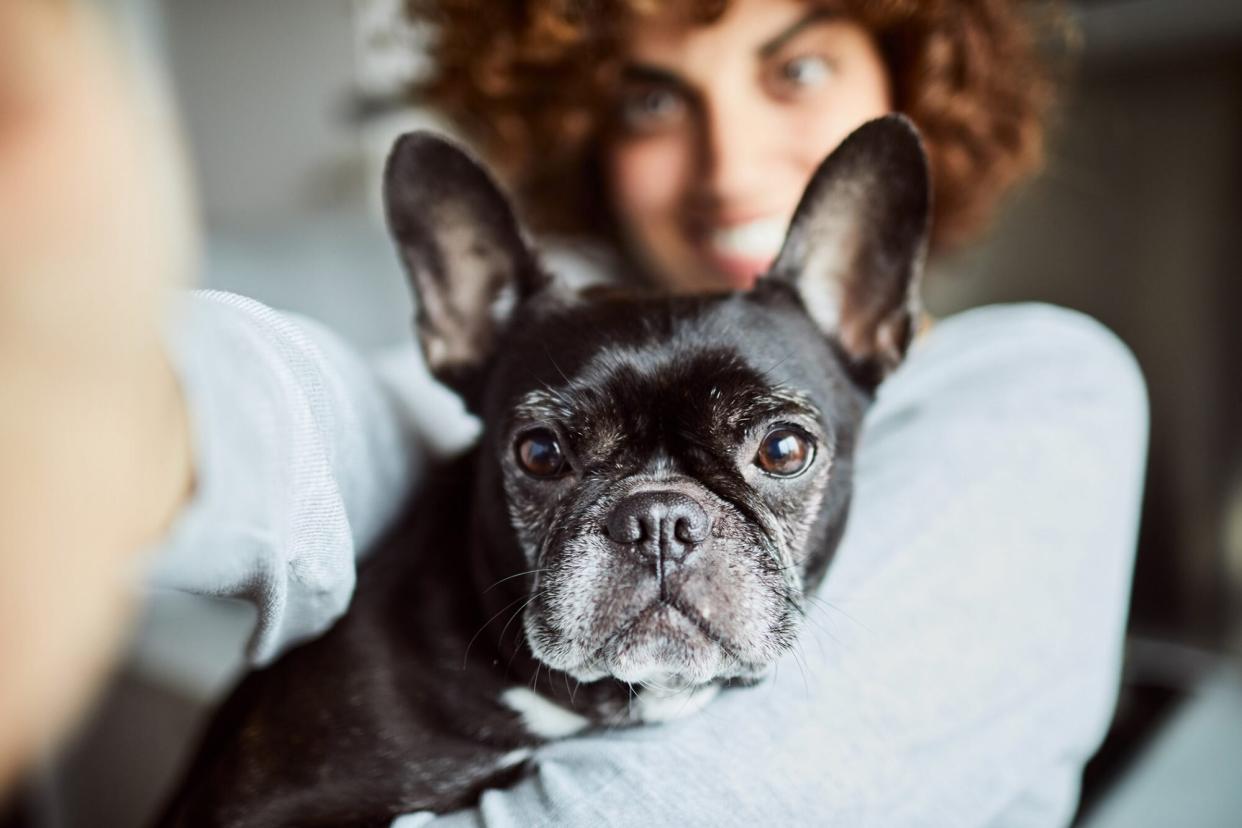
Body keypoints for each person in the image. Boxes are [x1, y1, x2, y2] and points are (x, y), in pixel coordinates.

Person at [0, 0, 1148, 825]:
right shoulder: (537, 345)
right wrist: (130, 397)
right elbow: (358, 435)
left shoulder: (1043, 384)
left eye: (795, 70)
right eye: (655, 97)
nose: (731, 163)